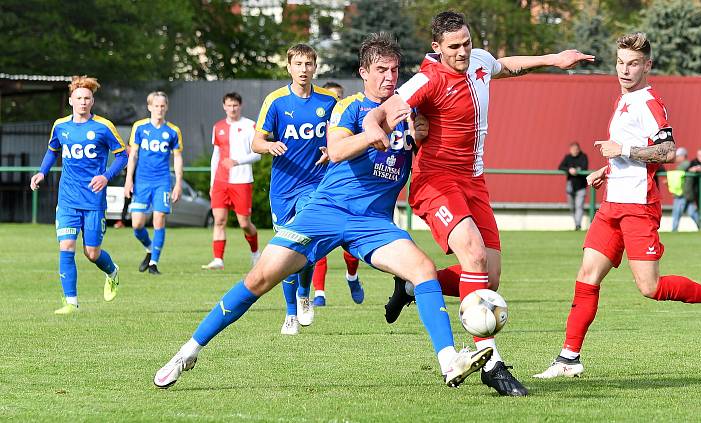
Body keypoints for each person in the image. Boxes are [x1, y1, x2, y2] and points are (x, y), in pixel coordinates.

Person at [153, 33, 492, 390]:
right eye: (380, 70)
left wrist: (420, 135)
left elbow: (434, 141)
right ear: (363, 72)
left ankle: (449, 360)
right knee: (258, 280)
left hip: (373, 222)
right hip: (326, 210)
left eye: (394, 70)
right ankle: (187, 350)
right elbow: (339, 148)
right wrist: (378, 130)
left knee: (423, 269)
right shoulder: (350, 108)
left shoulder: (411, 112)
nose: (389, 77)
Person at [364, 10, 593, 396]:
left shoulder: (479, 60)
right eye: (454, 47)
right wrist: (374, 129)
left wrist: (554, 59)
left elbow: (507, 65)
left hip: (474, 182)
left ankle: (414, 285)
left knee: (491, 278)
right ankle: (492, 362)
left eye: (467, 43)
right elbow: (384, 109)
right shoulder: (429, 77)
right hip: (435, 182)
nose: (463, 52)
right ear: (436, 47)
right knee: (474, 257)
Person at [532, 33, 701, 380]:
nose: (625, 69)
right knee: (587, 277)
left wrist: (622, 152)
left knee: (651, 288)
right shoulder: (623, 100)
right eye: (620, 62)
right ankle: (568, 358)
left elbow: (667, 152)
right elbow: (629, 150)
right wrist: (606, 169)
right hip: (611, 205)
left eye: (633, 63)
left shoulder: (650, 103)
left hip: (638, 207)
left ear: (647, 66)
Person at [252, 44, 351, 335]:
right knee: (285, 250)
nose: (304, 69)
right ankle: (290, 312)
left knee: (305, 245)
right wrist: (269, 145)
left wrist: (330, 149)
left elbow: (341, 137)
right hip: (283, 189)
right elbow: (255, 142)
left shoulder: (329, 101)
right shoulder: (276, 101)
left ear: (315, 67)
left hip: (315, 185)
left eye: (308, 63)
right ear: (289, 67)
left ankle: (303, 293)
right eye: (298, 64)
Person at [29, 75, 127, 314]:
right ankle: (71, 302)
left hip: (93, 200)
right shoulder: (60, 126)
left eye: (87, 98)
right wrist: (42, 172)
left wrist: (105, 176)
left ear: (92, 101)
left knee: (91, 253)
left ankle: (112, 271)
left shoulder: (104, 126)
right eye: (79, 98)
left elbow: (123, 155)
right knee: (67, 246)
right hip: (68, 198)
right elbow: (52, 151)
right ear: (71, 101)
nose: (83, 102)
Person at [311, 81, 364, 307]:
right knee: (318, 243)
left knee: (351, 248)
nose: (337, 103)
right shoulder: (317, 123)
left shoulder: (354, 119)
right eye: (332, 99)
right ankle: (319, 293)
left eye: (339, 98)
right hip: (319, 186)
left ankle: (352, 277)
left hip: (347, 191)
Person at [124, 92, 184, 275]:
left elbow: (178, 158)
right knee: (137, 225)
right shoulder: (140, 127)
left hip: (162, 182)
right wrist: (128, 180)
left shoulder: (173, 131)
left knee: (159, 219)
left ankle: (154, 264)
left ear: (166, 107)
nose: (159, 109)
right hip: (142, 182)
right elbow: (133, 155)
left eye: (162, 106)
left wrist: (178, 183)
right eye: (156, 106)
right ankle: (150, 249)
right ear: (149, 107)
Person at [202, 92, 261, 270]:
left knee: (244, 223)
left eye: (235, 105)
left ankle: (255, 253)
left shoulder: (250, 125)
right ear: (224, 106)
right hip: (221, 181)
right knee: (219, 220)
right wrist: (212, 183)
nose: (232, 108)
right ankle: (218, 259)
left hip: (242, 180)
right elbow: (216, 156)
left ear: (240, 106)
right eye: (229, 105)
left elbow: (258, 154)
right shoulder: (218, 127)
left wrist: (237, 161)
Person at [558, 142, 589, 230]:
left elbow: (584, 167)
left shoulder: (583, 156)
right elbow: (560, 167)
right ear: (570, 150)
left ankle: (578, 225)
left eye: (576, 149)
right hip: (570, 186)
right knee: (572, 206)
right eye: (572, 149)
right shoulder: (568, 157)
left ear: (579, 149)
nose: (574, 151)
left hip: (581, 186)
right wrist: (569, 169)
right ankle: (576, 223)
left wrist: (577, 170)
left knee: (579, 206)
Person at [665, 147, 696, 231]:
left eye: (678, 156)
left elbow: (678, 176)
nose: (676, 158)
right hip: (686, 193)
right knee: (692, 212)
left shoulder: (685, 164)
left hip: (682, 193)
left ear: (683, 156)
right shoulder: (685, 165)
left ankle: (674, 230)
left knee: (676, 212)